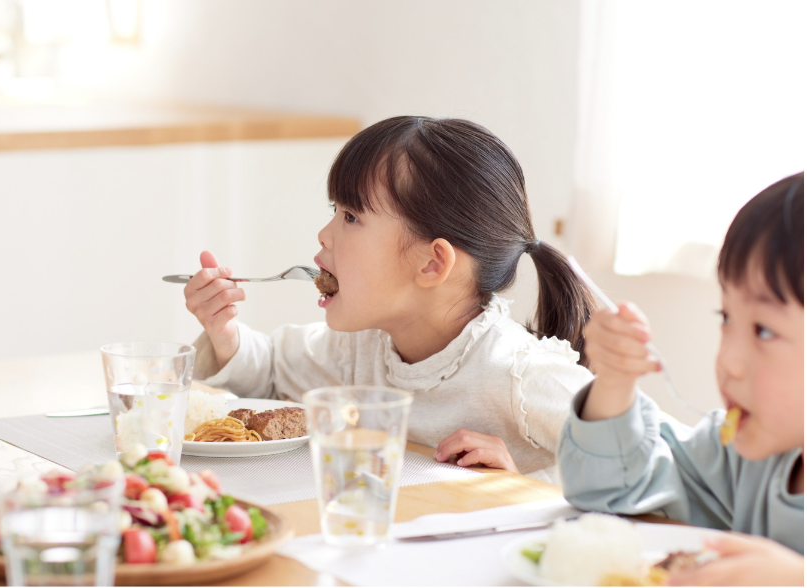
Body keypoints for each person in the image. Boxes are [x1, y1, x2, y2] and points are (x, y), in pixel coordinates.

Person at [183, 116, 596, 483]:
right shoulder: (357, 350)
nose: (324, 235)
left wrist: (522, 483)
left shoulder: (517, 375)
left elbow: (644, 461)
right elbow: (272, 372)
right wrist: (226, 334)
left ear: (432, 264)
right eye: (336, 210)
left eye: (350, 217)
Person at [558, 172, 804, 585]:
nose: (727, 360)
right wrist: (615, 382)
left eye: (764, 330)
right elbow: (608, 496)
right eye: (726, 318)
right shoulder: (740, 455)